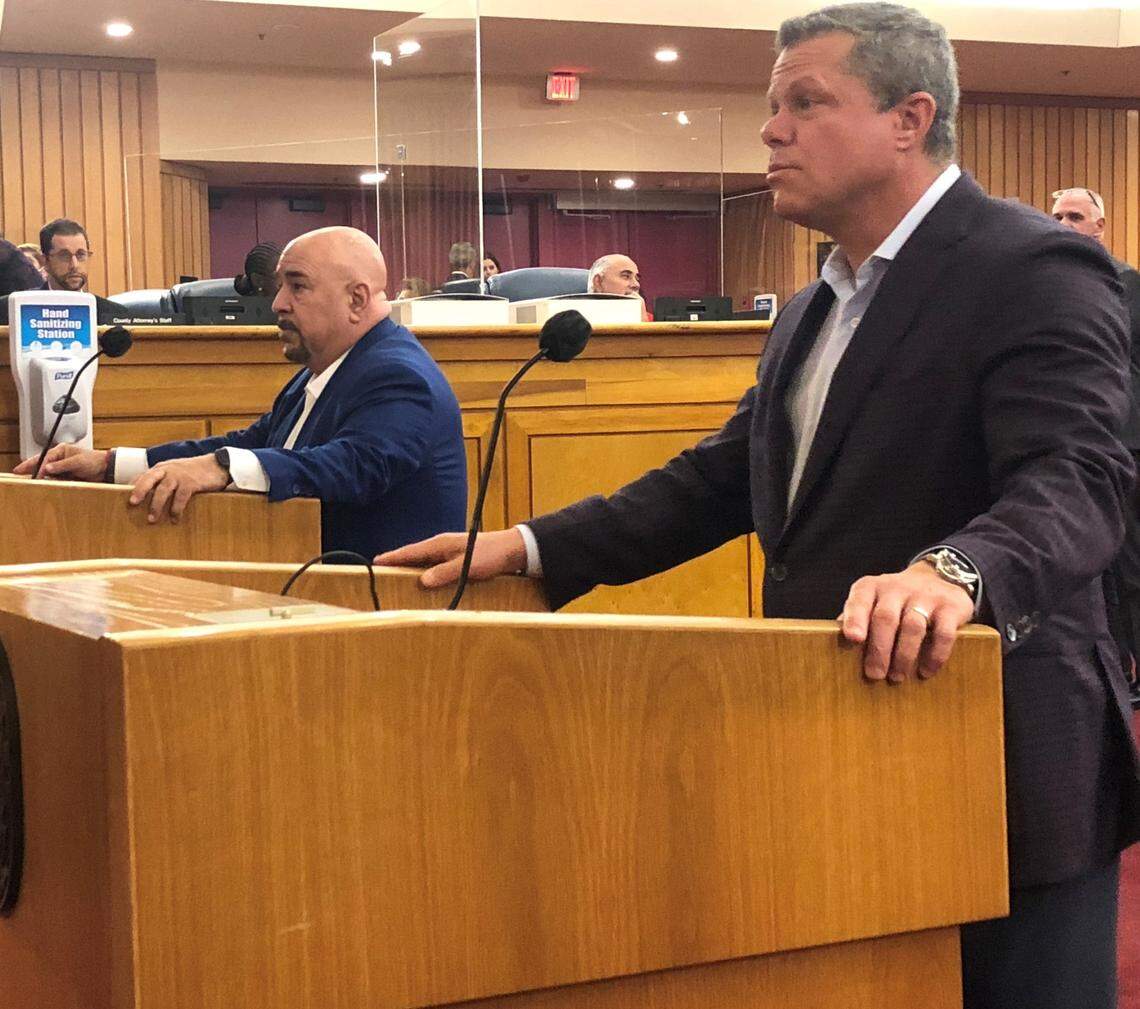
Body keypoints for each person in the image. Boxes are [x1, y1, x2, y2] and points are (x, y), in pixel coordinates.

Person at [380, 5, 1140, 1007]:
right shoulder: (815, 300)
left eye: (806, 102)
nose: (772, 130)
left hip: (996, 757)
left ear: (911, 119)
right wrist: (528, 547)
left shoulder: (1031, 266)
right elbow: (721, 477)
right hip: (837, 739)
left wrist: (954, 570)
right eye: (772, 105)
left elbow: (1082, 474)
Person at [17, 226, 469, 558]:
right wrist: (112, 464)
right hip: (314, 591)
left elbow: (353, 466)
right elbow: (254, 442)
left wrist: (220, 469)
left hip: (383, 611)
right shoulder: (325, 367)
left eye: (297, 286)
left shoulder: (397, 374)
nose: (277, 303)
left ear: (356, 299)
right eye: (280, 286)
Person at [1052, 187, 1140, 704]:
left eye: (1076, 216)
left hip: (1127, 443)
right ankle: (1111, 669)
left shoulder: (1131, 284)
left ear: (1099, 226)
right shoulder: (1041, 283)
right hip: (1072, 443)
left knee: (1131, 564)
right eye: (1057, 215)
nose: (1064, 224)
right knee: (1090, 562)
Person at [37, 218, 128, 321]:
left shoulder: (115, 315)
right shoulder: (25, 309)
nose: (74, 265)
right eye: (64, 256)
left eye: (80, 255)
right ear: (45, 261)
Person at [588, 253, 651, 320]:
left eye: (637, 279)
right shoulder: (579, 321)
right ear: (598, 282)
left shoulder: (649, 318)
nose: (636, 285)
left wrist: (641, 318)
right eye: (626, 276)